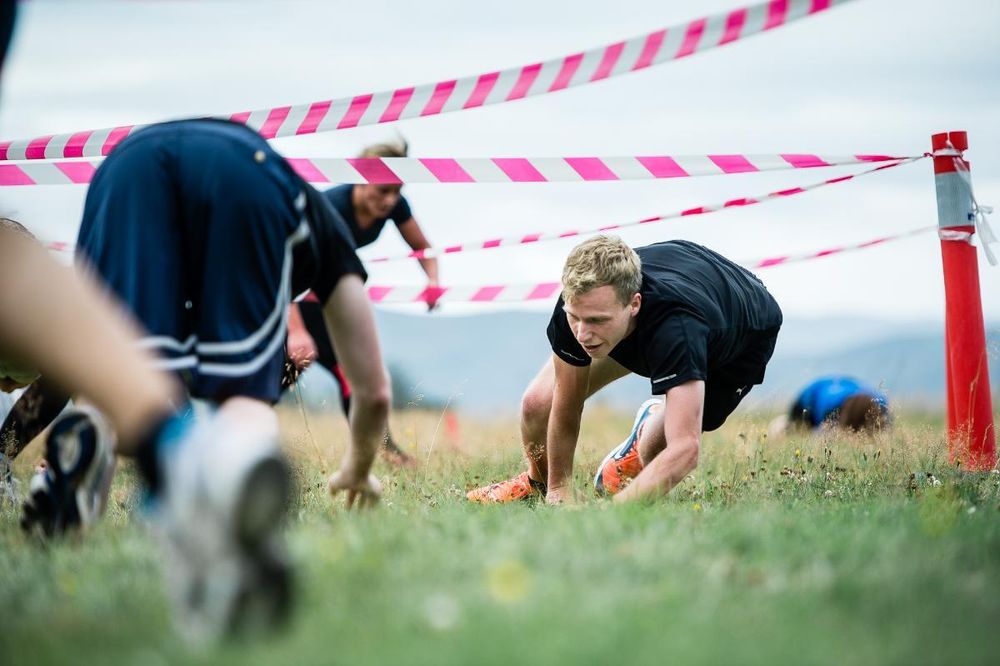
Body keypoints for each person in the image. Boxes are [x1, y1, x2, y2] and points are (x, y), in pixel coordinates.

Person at [20, 118, 392, 636]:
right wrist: (357, 468)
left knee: (116, 367)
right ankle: (239, 488)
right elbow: (373, 389)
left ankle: (90, 441)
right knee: (243, 394)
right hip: (247, 176)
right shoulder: (326, 225)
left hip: (125, 169)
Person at [466, 235, 782, 505]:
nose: (582, 333)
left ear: (634, 304)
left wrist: (611, 515)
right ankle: (536, 486)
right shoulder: (580, 307)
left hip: (739, 338)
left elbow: (685, 450)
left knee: (656, 448)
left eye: (596, 321)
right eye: (575, 317)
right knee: (538, 405)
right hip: (660, 301)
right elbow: (568, 401)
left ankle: (646, 427)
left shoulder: (678, 329)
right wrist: (559, 491)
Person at [284, 139, 439, 466]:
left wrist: (433, 282)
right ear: (359, 178)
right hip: (294, 298)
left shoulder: (396, 206)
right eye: (382, 190)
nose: (389, 200)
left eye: (397, 190)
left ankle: (383, 450)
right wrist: (295, 331)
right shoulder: (328, 209)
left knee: (355, 375)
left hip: (331, 298)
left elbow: (424, 248)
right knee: (279, 374)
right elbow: (282, 270)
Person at [782, 375, 889, 434]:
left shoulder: (881, 403)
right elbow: (819, 435)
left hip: (845, 388)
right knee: (788, 429)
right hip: (809, 397)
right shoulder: (831, 408)